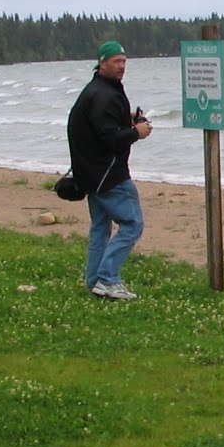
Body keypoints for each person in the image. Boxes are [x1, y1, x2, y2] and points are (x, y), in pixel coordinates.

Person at [67, 41, 152, 300]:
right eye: (116, 61)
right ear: (102, 63)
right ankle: (107, 278)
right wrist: (136, 132)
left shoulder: (98, 91)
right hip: (108, 175)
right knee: (133, 224)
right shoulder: (104, 95)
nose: (122, 66)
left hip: (90, 174)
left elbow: (99, 127)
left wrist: (127, 120)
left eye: (124, 61)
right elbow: (109, 139)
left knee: (101, 227)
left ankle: (94, 280)